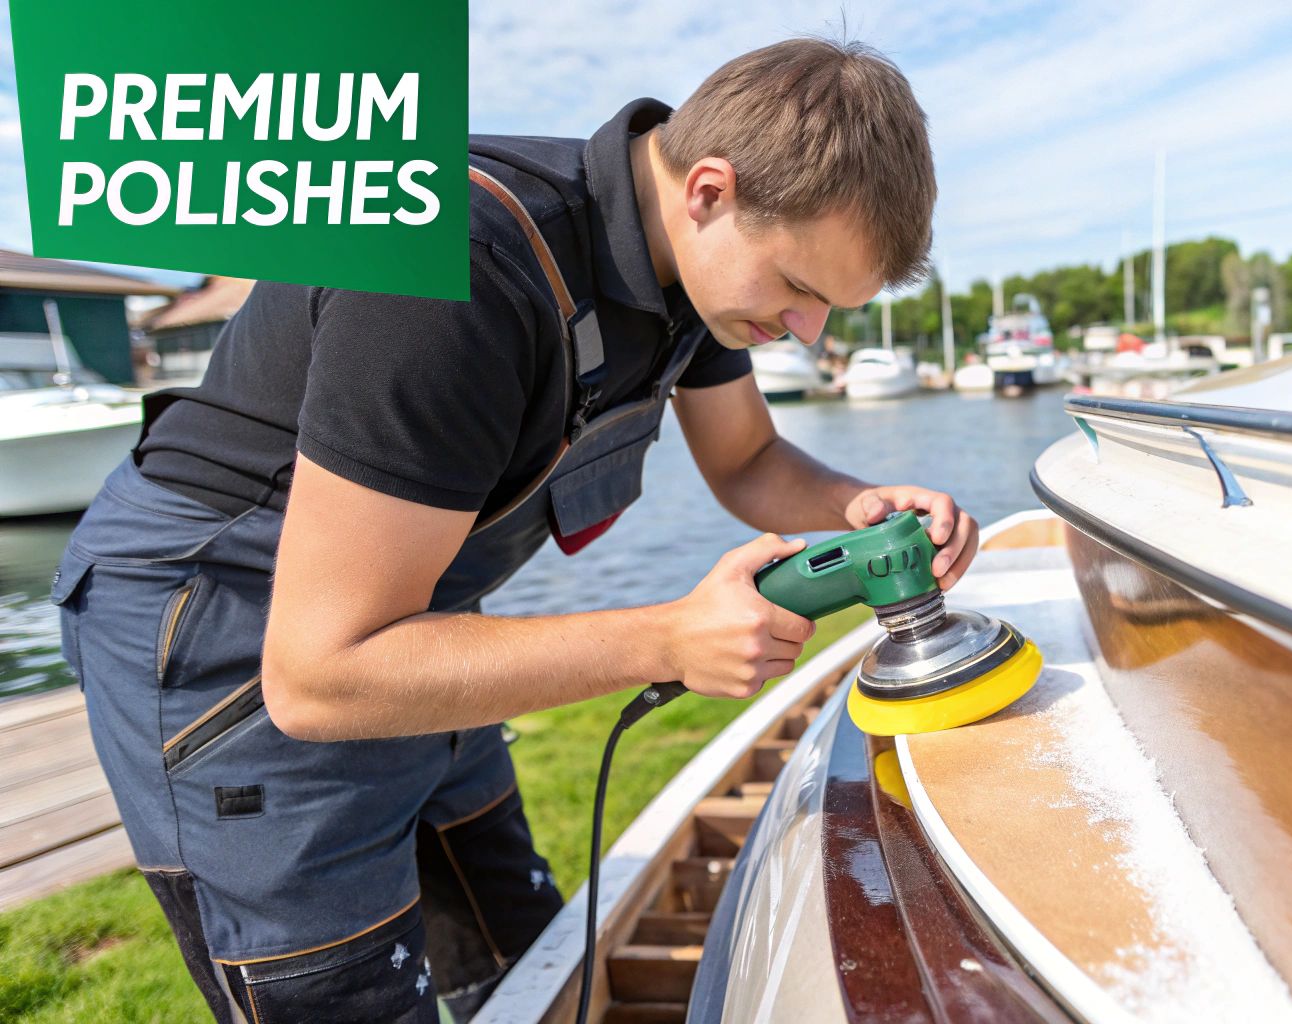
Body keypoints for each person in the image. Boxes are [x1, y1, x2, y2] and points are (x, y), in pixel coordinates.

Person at [52, 37, 966, 1022]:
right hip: (225, 631)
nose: (808, 334)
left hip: (411, 616)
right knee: (348, 993)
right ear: (707, 190)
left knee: (528, 967)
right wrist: (667, 638)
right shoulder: (458, 270)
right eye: (800, 291)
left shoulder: (699, 273)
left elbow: (746, 461)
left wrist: (862, 508)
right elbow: (317, 676)